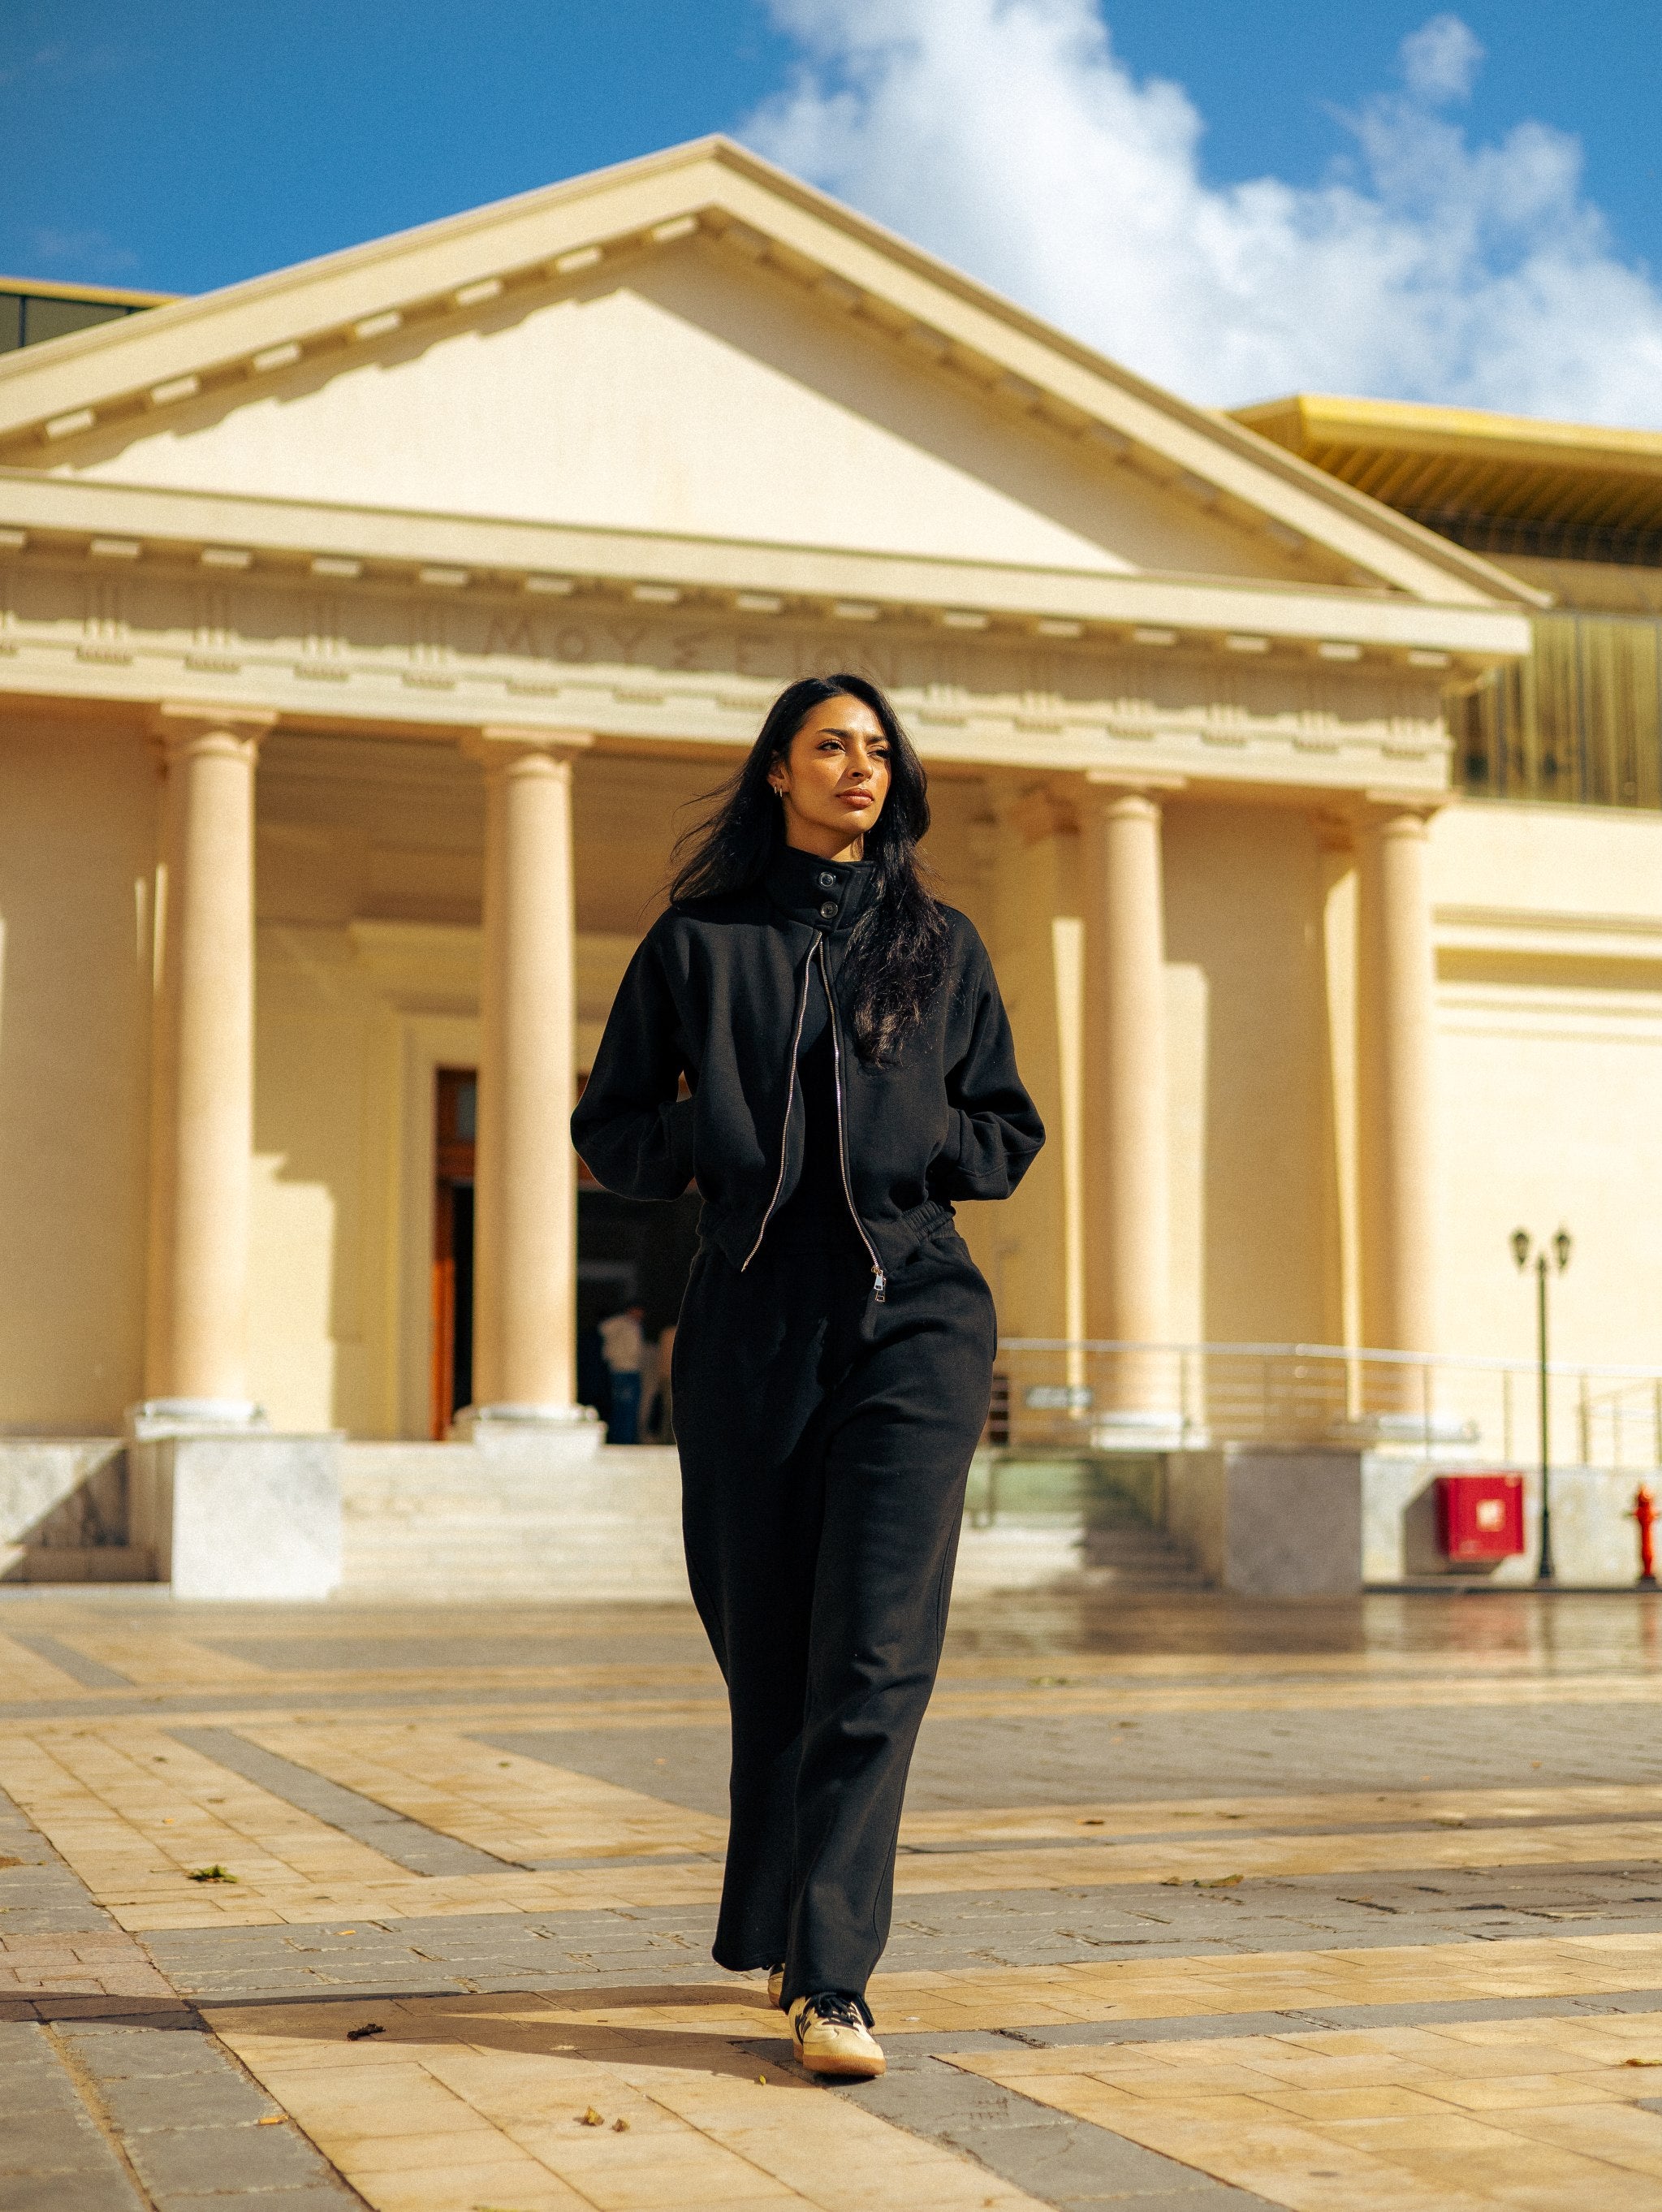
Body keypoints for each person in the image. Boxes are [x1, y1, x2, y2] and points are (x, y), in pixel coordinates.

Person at [572, 674, 1043, 2080]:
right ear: (777, 767)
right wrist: (706, 1152)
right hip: (752, 1320)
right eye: (833, 745)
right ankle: (780, 1914)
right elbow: (611, 1121)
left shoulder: (936, 944)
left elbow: (1006, 1127)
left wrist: (918, 1150)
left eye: (879, 750)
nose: (861, 767)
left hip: (917, 1312)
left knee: (876, 1649)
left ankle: (832, 1975)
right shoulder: (699, 944)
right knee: (764, 1635)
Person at [597, 1303, 645, 1444]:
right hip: (623, 1370)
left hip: (629, 1370)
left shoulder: (634, 1325)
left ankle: (624, 1438)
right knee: (624, 1406)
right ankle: (622, 1439)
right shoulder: (622, 1323)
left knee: (626, 1407)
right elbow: (603, 1329)